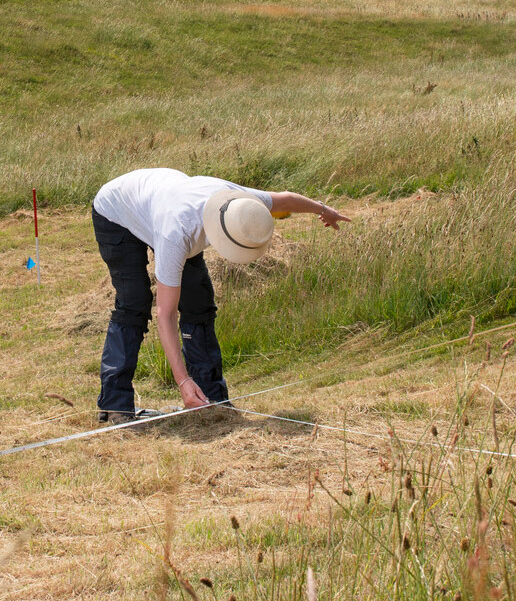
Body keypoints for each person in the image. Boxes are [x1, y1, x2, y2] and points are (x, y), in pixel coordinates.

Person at [91, 168, 349, 421]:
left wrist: (325, 211)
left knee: (199, 301)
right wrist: (183, 381)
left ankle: (211, 400)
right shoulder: (177, 233)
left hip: (161, 198)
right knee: (134, 302)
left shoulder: (243, 205)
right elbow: (165, 314)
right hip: (116, 211)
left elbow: (284, 198)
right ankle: (116, 405)